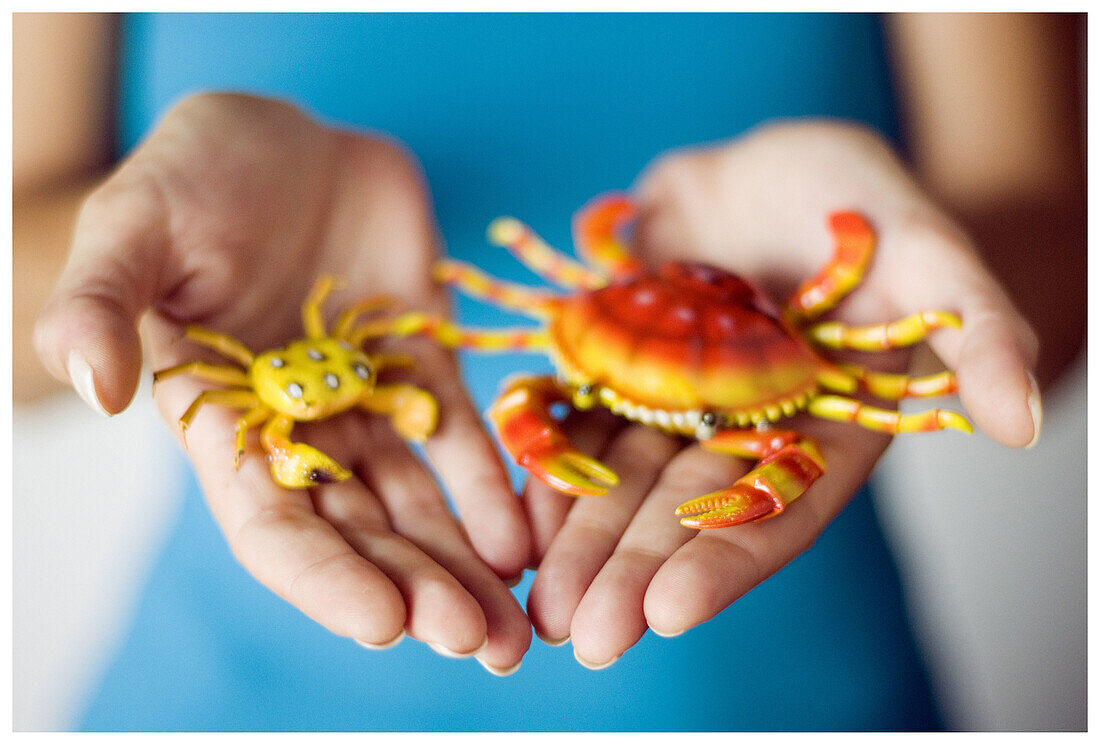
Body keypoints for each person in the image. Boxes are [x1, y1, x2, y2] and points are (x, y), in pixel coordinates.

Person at [15, 13, 1084, 730]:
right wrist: (122, 254)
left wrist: (917, 267)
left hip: (793, 701)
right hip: (220, 705)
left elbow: (1052, 261)